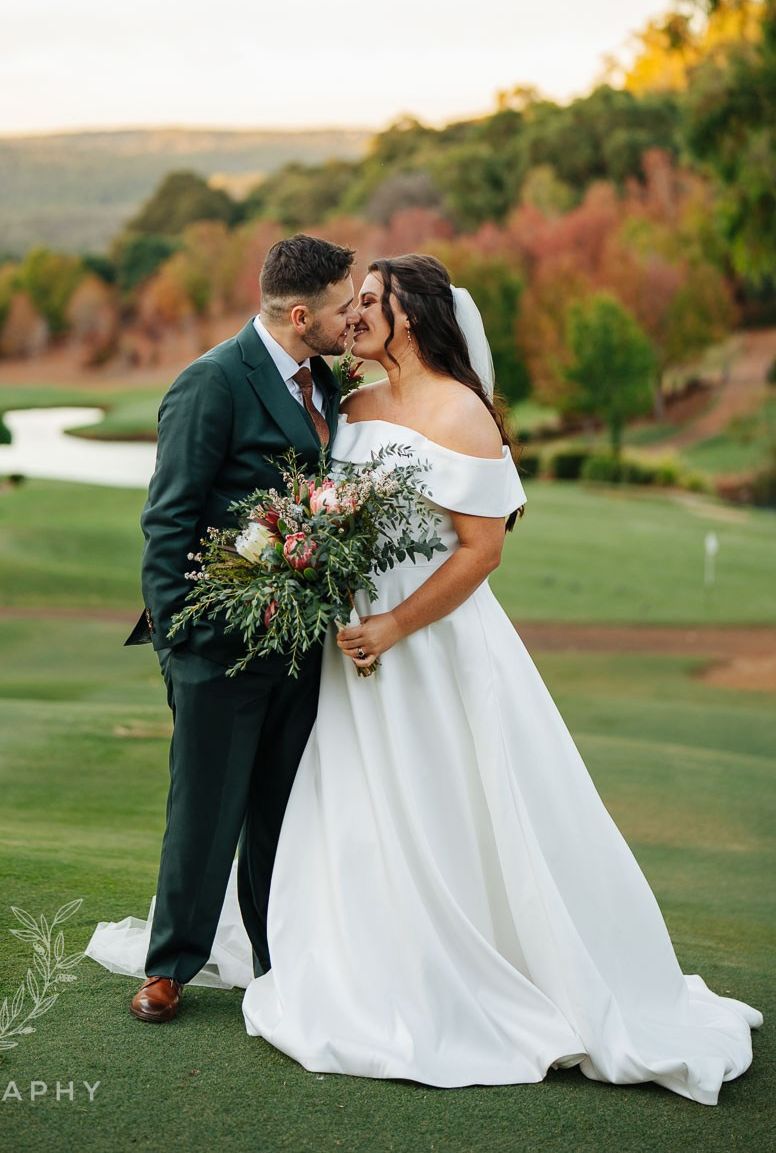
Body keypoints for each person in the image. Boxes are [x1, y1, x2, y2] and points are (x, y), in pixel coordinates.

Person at [239, 253, 761, 1105]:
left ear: (414, 317)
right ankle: (366, 961)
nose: (355, 314)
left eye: (373, 301)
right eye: (355, 300)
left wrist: (395, 626)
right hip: (352, 655)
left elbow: (484, 550)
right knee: (357, 811)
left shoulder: (461, 416)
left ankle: (490, 971)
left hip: (431, 652)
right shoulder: (350, 404)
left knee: (454, 807)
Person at [87, 234, 359, 1022]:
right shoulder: (210, 383)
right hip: (218, 651)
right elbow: (166, 523)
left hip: (303, 646)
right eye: (345, 306)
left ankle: (279, 964)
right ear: (302, 314)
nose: (354, 318)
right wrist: (181, 646)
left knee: (281, 813)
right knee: (204, 811)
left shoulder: (331, 385)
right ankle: (171, 967)